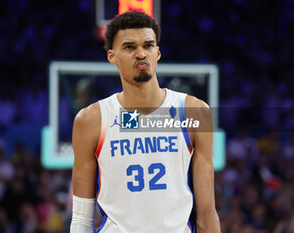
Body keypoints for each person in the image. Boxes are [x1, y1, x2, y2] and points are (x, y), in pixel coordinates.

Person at [70, 10, 221, 233]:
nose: (141, 54)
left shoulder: (194, 112)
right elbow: (82, 219)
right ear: (112, 56)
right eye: (130, 47)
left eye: (148, 46)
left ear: (157, 53)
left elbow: (207, 214)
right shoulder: (91, 119)